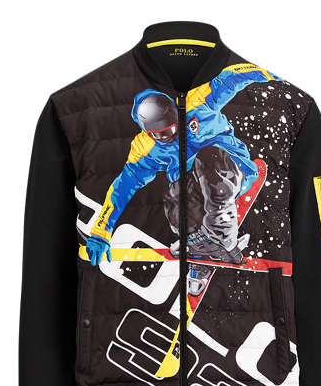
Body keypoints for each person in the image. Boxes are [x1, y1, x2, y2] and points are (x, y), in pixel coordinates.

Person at [86, 64, 281, 266]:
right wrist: (101, 231)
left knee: (208, 156)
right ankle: (200, 246)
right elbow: (122, 188)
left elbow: (232, 77)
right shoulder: (144, 149)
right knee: (173, 197)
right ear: (147, 132)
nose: (166, 137)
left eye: (170, 130)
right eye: (158, 135)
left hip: (230, 169)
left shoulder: (198, 102)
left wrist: (268, 70)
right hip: (195, 191)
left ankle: (219, 236)